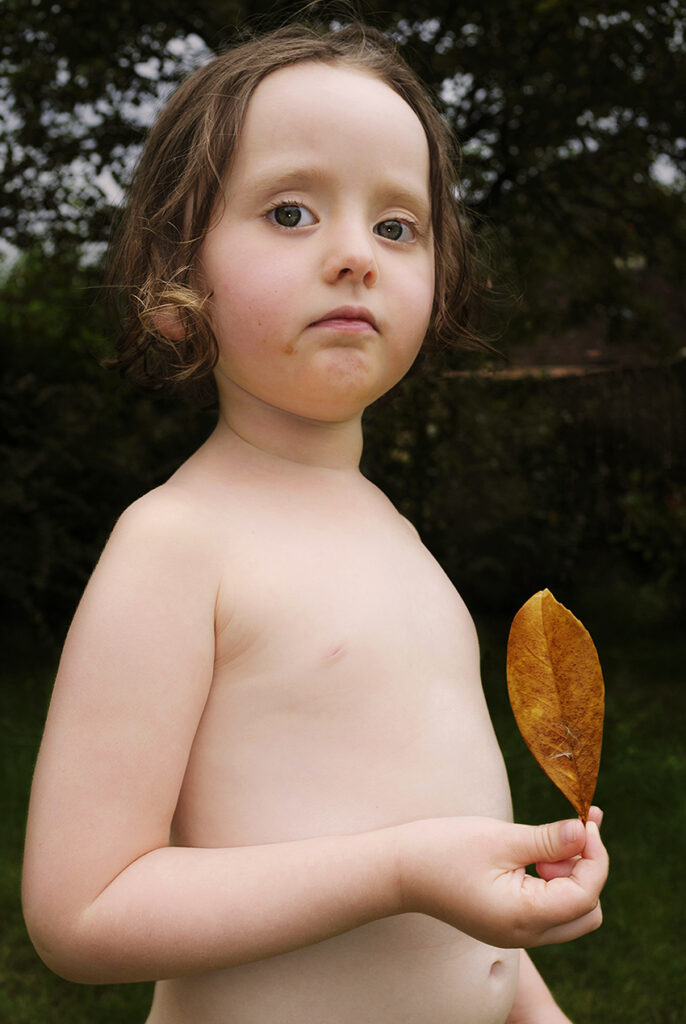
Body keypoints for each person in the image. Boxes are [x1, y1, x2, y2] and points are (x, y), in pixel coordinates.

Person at [22, 22, 608, 1024]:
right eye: (290, 211)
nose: (352, 255)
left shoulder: (399, 540)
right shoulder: (178, 544)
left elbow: (451, 885)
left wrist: (519, 977)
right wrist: (400, 872)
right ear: (178, 284)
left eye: (396, 226)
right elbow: (81, 911)